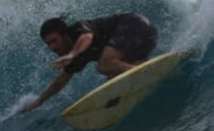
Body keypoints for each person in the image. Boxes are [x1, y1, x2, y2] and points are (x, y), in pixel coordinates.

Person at [20, 12, 158, 113]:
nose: (52, 47)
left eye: (54, 40)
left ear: (64, 34)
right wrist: (40, 100)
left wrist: (72, 54)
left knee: (104, 65)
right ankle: (148, 71)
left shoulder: (78, 29)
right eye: (48, 44)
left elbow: (87, 37)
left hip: (135, 25)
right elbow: (61, 80)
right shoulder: (76, 56)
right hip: (143, 40)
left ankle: (146, 73)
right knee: (115, 78)